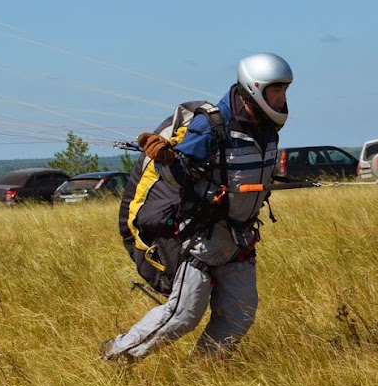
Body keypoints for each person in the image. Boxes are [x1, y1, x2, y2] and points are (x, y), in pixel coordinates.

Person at [104, 53, 293, 362]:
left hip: (240, 239)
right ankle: (115, 356)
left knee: (238, 315)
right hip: (202, 238)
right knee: (183, 315)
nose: (282, 97)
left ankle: (202, 374)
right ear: (254, 88)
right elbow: (178, 175)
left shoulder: (268, 129)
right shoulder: (212, 126)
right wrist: (164, 158)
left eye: (285, 89)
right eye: (276, 89)